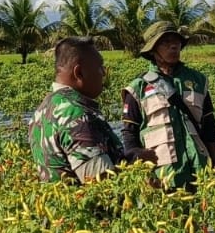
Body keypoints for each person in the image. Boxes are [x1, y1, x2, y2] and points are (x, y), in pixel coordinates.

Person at [29, 36, 155, 183]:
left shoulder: (42, 109)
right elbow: (99, 182)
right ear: (79, 73)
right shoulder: (77, 115)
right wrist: (138, 163)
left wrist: (129, 157)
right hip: (86, 206)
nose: (103, 72)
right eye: (99, 67)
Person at [121, 22, 215, 191]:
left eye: (176, 41)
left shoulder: (198, 81)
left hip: (201, 173)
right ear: (153, 50)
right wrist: (141, 173)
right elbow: (129, 134)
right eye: (165, 42)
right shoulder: (137, 88)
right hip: (162, 177)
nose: (173, 46)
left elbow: (209, 125)